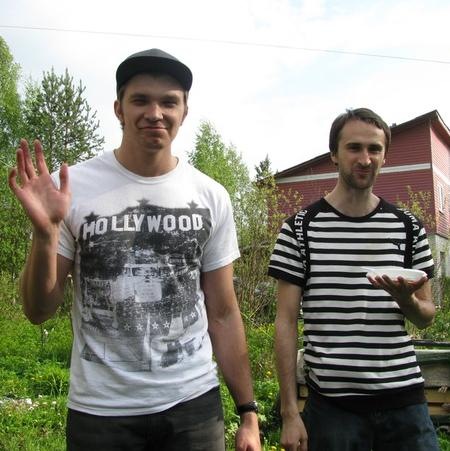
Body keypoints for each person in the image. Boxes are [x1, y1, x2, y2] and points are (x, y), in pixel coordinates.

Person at [9, 48, 261, 451]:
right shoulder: (72, 189)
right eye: (140, 100)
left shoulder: (210, 196)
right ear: (119, 109)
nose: (155, 113)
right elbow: (38, 310)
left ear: (184, 111)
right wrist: (45, 235)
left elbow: (224, 312)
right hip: (101, 413)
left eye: (169, 102)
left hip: (194, 407)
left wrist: (248, 412)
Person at [268, 108, 439, 451]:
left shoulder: (408, 227)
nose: (365, 159)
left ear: (385, 156)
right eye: (354, 148)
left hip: (404, 403)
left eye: (374, 149)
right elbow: (285, 322)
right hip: (333, 409)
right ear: (334, 154)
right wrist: (289, 412)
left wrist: (406, 300)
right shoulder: (299, 229)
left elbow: (426, 316)